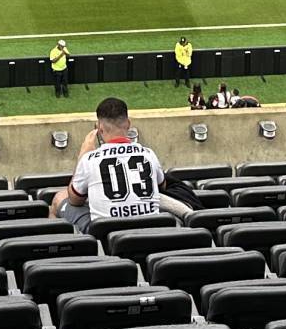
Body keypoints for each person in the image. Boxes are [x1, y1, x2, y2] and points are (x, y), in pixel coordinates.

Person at [48, 97, 190, 233]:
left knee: (59, 197)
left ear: (99, 128)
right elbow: (161, 187)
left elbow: (75, 200)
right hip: (150, 227)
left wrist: (82, 157)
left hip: (107, 233)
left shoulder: (89, 160)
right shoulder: (148, 154)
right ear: (128, 124)